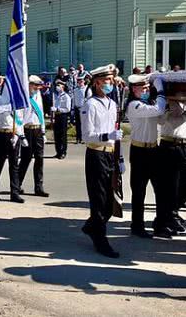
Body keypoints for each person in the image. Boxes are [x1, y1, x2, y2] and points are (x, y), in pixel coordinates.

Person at [80, 64, 123, 258]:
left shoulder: (112, 104)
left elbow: (116, 136)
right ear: (97, 83)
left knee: (109, 201)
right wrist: (108, 135)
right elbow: (87, 136)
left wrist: (119, 157)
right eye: (106, 81)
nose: (110, 84)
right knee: (99, 199)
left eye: (111, 81)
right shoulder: (90, 104)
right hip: (96, 154)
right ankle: (100, 239)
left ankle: (92, 226)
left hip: (110, 154)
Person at [126, 74, 168, 238]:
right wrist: (162, 92)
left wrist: (169, 108)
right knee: (139, 191)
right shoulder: (134, 105)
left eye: (147, 88)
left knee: (160, 189)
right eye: (142, 88)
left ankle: (161, 224)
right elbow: (158, 109)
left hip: (153, 149)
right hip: (139, 151)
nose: (145, 91)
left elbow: (161, 120)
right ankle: (137, 225)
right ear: (133, 89)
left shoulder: (148, 104)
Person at [159, 99, 186, 233]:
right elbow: (170, 121)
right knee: (171, 185)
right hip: (170, 144)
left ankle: (172, 210)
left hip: (185, 145)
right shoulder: (167, 103)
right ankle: (167, 217)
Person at [0, 86, 26, 204]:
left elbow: (20, 120)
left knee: (14, 165)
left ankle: (14, 193)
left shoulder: (18, 102)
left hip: (14, 135)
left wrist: (19, 134)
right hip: (2, 134)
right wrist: (7, 108)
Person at [19, 75, 49, 197]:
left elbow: (40, 113)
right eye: (35, 85)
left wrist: (43, 131)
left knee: (39, 159)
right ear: (29, 85)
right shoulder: (24, 96)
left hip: (37, 130)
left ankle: (39, 187)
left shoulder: (38, 96)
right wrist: (21, 134)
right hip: (27, 130)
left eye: (38, 86)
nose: (37, 88)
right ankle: (17, 184)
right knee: (25, 159)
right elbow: (19, 116)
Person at [52, 80, 71, 159]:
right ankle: (58, 151)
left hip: (63, 116)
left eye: (59, 85)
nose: (57, 87)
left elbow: (67, 109)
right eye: (57, 85)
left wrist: (57, 109)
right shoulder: (56, 96)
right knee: (57, 135)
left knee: (62, 135)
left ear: (63, 87)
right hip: (56, 116)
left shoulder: (66, 96)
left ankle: (63, 152)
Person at [73, 77, 89, 144]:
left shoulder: (86, 89)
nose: (80, 82)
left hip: (84, 108)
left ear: (83, 82)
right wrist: (73, 108)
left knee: (84, 124)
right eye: (78, 81)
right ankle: (78, 138)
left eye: (81, 81)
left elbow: (89, 99)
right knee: (78, 124)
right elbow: (73, 99)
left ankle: (83, 138)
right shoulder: (75, 90)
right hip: (77, 108)